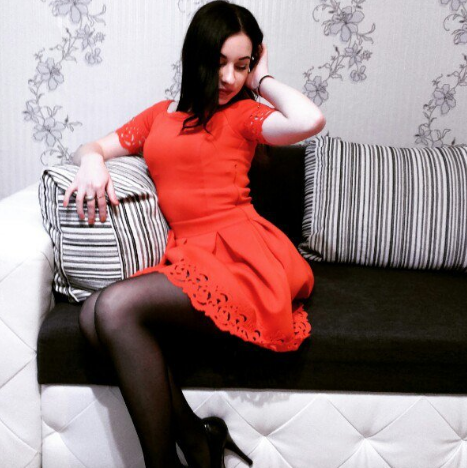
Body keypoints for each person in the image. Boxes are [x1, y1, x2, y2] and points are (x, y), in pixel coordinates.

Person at [63, 1, 325, 467]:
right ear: (196, 56)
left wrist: (262, 79)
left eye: (241, 65)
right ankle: (199, 440)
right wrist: (92, 161)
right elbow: (93, 145)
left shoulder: (245, 115)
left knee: (115, 307)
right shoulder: (159, 116)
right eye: (220, 62)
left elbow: (309, 121)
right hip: (187, 254)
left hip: (239, 257)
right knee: (90, 316)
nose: (229, 78)